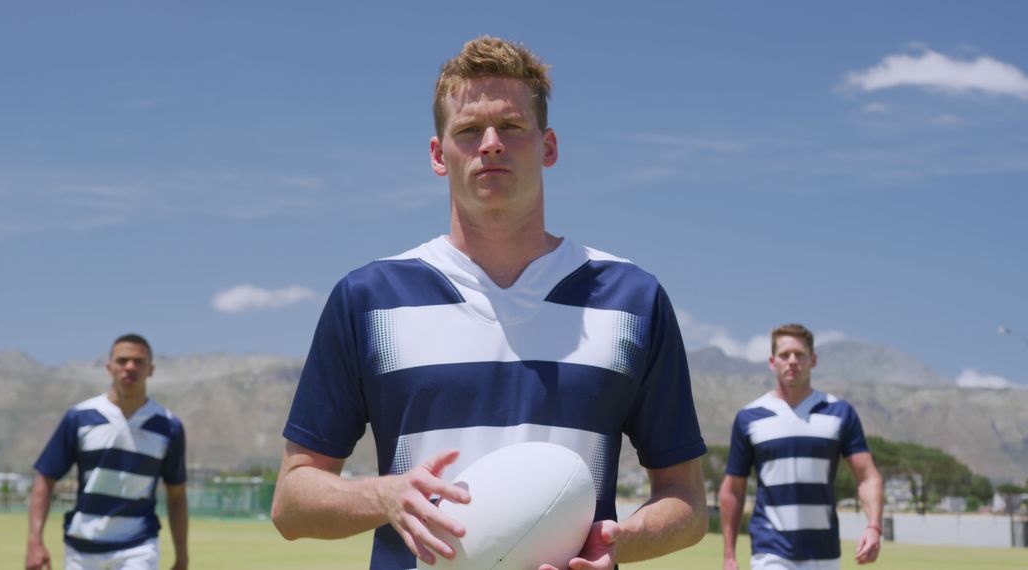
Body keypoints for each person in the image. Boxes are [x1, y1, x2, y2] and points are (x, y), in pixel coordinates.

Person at [271, 36, 708, 570]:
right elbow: (292, 502)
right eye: (469, 130)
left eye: (512, 127)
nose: (492, 143)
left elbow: (687, 498)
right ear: (439, 154)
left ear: (548, 146)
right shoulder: (369, 300)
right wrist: (386, 497)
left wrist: (618, 542)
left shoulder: (632, 300)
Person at [718, 323, 884, 570]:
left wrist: (873, 527)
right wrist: (729, 555)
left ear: (813, 360)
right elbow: (732, 490)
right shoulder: (749, 418)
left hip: (824, 552)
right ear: (772, 362)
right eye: (785, 355)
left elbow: (868, 477)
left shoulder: (840, 413)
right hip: (770, 551)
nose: (792, 361)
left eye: (800, 354)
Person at [26, 333, 188, 570]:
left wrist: (182, 558)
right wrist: (34, 542)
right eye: (122, 360)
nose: (130, 367)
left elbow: (176, 496)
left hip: (138, 547)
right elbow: (46, 479)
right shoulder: (79, 417)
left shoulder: (169, 426)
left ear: (150, 369)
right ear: (109, 367)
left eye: (138, 361)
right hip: (82, 549)